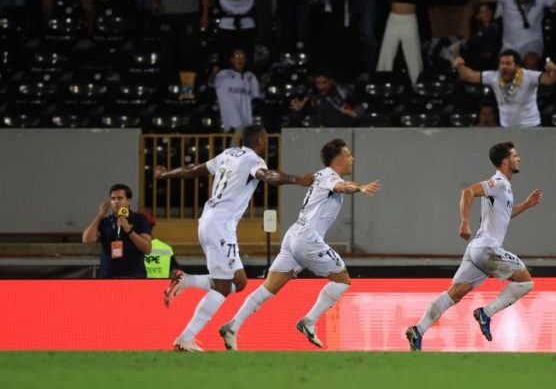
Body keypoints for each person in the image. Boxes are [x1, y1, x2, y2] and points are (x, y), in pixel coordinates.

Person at [154, 125, 314, 352]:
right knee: (221, 286)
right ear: (260, 140)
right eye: (266, 139)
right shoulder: (253, 160)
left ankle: (186, 281)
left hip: (208, 221)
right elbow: (268, 176)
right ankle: (185, 339)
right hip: (221, 226)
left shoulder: (228, 154)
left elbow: (193, 170)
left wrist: (164, 173)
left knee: (239, 282)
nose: (267, 143)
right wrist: (298, 180)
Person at [218, 138, 381, 350]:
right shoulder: (330, 177)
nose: (353, 159)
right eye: (349, 155)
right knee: (342, 280)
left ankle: (233, 325)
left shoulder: (321, 176)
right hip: (307, 240)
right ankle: (309, 321)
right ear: (339, 160)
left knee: (269, 287)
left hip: (293, 236)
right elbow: (341, 187)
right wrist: (359, 187)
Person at [405, 141, 543, 351]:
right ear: (505, 161)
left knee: (455, 293)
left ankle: (418, 330)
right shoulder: (498, 183)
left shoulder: (505, 187)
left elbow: (505, 215)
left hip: (476, 249)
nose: (519, 159)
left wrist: (525, 205)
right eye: (515, 156)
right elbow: (468, 192)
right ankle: (486, 313)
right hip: (488, 248)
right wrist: (464, 222)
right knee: (526, 283)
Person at [454, 50, 556, 128]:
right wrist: (460, 66)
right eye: (502, 63)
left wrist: (554, 70)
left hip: (531, 127)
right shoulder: (494, 77)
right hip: (506, 128)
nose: (504, 67)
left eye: (508, 64)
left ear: (517, 66)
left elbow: (549, 79)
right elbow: (470, 76)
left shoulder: (529, 76)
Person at [81, 184, 153, 278]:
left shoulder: (139, 219)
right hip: (108, 277)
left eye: (120, 198)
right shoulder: (105, 221)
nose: (116, 202)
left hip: (134, 277)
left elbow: (147, 249)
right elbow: (86, 239)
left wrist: (129, 231)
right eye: (113, 199)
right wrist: (100, 216)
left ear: (129, 201)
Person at [211, 48, 262, 134]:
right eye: (236, 56)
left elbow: (256, 96)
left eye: (242, 56)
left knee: (243, 138)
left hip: (246, 118)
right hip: (231, 118)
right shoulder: (225, 74)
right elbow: (212, 82)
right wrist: (214, 73)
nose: (239, 59)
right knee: (238, 132)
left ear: (246, 60)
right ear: (232, 60)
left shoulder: (250, 77)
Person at [289, 71, 364, 127]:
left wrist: (355, 114)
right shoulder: (312, 94)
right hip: (322, 132)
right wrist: (297, 111)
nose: (321, 87)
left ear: (331, 81)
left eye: (324, 83)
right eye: (318, 83)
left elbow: (359, 108)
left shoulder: (344, 92)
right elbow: (297, 119)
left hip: (346, 129)